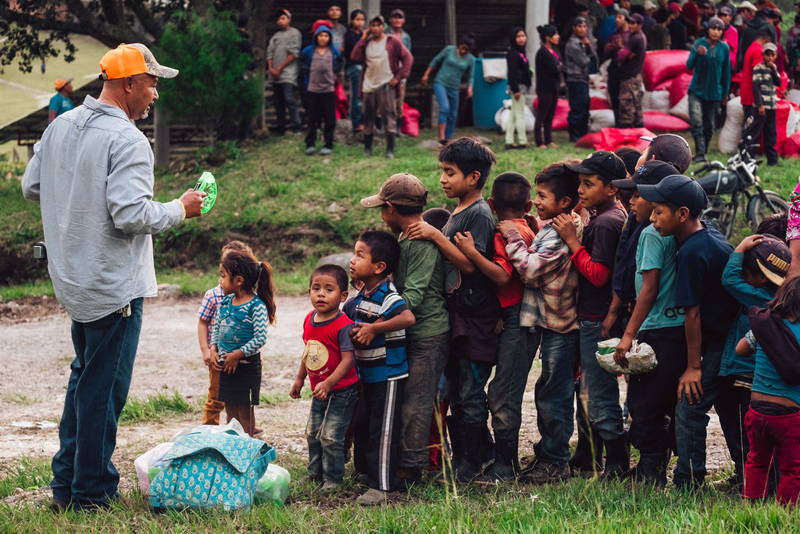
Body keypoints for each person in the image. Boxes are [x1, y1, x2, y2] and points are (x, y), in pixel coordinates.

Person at [21, 43, 205, 510]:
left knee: (84, 382)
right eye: (152, 82)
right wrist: (180, 208)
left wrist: (75, 194)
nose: (155, 93)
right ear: (128, 83)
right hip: (112, 284)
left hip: (73, 278)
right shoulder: (127, 140)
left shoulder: (59, 125)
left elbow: (32, 186)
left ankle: (66, 486)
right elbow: (129, 214)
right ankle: (91, 493)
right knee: (103, 392)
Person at [405, 138, 500, 482]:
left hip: (476, 320)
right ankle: (469, 457)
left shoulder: (478, 215)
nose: (443, 179)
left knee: (470, 396)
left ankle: (473, 462)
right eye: (442, 172)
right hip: (459, 318)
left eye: (450, 173)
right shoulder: (460, 211)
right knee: (460, 393)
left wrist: (435, 236)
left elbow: (471, 264)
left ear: (474, 177)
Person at [639, 174, 738, 490]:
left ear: (682, 214)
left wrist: (694, 367)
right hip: (728, 339)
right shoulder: (707, 234)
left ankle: (689, 479)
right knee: (729, 407)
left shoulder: (692, 252)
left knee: (690, 406)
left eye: (659, 212)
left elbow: (692, 312)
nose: (653, 219)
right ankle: (749, 474)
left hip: (719, 342)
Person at [359, 173, 450, 486]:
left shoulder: (421, 243)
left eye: (381, 210)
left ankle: (412, 466)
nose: (381, 216)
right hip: (409, 331)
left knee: (417, 401)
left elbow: (414, 294)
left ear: (390, 208)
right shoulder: (404, 238)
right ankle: (403, 458)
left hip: (428, 332)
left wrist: (378, 311)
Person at [498, 162, 583, 484]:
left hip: (560, 324)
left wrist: (511, 236)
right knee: (550, 388)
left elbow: (532, 270)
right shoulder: (555, 226)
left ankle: (554, 460)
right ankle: (551, 455)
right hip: (550, 320)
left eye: (544, 196)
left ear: (564, 203)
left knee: (553, 392)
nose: (536, 202)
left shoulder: (564, 230)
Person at [455, 172, 538, 482]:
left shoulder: (505, 232)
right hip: (515, 318)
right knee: (505, 389)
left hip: (518, 319)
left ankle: (506, 464)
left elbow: (503, 277)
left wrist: (472, 252)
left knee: (503, 392)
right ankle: (497, 458)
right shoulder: (527, 227)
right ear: (528, 204)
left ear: (490, 203)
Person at [606, 161, 684, 486]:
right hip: (675, 328)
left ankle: (651, 472)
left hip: (656, 328)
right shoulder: (673, 230)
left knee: (644, 403)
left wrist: (628, 334)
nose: (632, 202)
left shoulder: (653, 234)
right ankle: (655, 465)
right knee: (661, 401)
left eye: (638, 196)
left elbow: (649, 289)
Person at [552, 151, 629, 479]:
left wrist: (572, 241)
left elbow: (598, 275)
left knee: (598, 392)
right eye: (579, 184)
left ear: (612, 188)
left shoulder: (606, 222)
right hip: (599, 316)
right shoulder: (610, 214)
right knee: (595, 390)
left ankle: (616, 462)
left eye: (588, 184)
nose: (581, 190)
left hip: (596, 318)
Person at [345, 231, 416, 505]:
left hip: (388, 373)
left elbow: (407, 317)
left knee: (383, 430)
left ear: (380, 267)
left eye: (360, 255)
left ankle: (382, 486)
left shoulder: (387, 293)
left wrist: (375, 328)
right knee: (364, 424)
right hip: (367, 372)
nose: (352, 260)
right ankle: (366, 473)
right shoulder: (362, 292)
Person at [717, 234, 791, 491]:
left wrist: (738, 251)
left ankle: (755, 486)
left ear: (759, 277)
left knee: (751, 441)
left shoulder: (760, 297)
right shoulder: (782, 296)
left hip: (747, 375)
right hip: (766, 382)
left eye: (748, 273)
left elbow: (729, 280)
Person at [290, 264, 359, 494]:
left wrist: (329, 383)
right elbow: (309, 351)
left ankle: (333, 480)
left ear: (343, 296)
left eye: (328, 289)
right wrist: (299, 379)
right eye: (316, 288)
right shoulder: (310, 320)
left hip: (342, 390)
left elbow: (348, 359)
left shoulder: (343, 325)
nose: (321, 294)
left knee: (331, 435)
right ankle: (314, 473)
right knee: (312, 432)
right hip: (319, 389)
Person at [740, 277, 800, 505]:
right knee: (793, 467)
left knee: (757, 459)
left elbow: (740, 349)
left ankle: (752, 502)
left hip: (757, 411)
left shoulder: (766, 326)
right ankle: (786, 510)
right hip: (789, 415)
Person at [210, 250, 275, 437]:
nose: (220, 281)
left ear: (238, 280)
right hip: (226, 366)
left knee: (245, 413)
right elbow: (217, 326)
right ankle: (233, 449)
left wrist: (238, 354)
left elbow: (260, 338)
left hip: (246, 367)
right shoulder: (226, 301)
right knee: (230, 411)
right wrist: (214, 348)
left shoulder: (256, 306)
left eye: (223, 276)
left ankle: (248, 451)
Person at [198, 241, 255, 427]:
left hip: (242, 356)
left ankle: (247, 428)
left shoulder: (251, 298)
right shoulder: (213, 295)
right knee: (216, 396)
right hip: (219, 356)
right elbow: (203, 322)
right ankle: (209, 430)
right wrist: (206, 350)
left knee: (243, 396)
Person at [350, 15, 413, 159]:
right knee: (368, 116)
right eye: (373, 25)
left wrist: (398, 78)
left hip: (386, 84)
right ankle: (367, 148)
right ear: (369, 27)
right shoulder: (366, 43)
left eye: (379, 25)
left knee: (389, 116)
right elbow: (354, 57)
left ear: (383, 27)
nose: (376, 28)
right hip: (368, 84)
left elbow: (408, 57)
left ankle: (389, 150)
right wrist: (362, 38)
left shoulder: (392, 41)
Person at [686, 17, 731, 161]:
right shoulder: (699, 43)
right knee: (696, 121)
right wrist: (697, 54)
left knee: (710, 126)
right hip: (696, 91)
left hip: (714, 93)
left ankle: (703, 150)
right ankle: (700, 153)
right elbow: (689, 65)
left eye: (719, 29)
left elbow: (726, 72)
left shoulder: (724, 48)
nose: (716, 32)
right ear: (708, 29)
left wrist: (725, 94)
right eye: (713, 28)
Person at [422, 35, 477, 145]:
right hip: (441, 83)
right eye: (462, 48)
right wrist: (426, 74)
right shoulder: (449, 50)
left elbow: (471, 76)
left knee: (453, 113)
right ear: (459, 45)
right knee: (445, 108)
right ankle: (441, 136)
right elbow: (435, 61)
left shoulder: (471, 59)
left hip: (454, 87)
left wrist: (470, 88)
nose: (463, 51)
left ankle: (449, 137)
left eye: (466, 50)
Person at [300, 25, 343, 156]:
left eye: (326, 35)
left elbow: (340, 64)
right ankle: (310, 144)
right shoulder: (309, 51)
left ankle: (328, 144)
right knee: (312, 118)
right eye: (320, 35)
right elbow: (302, 65)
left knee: (330, 119)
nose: (323, 38)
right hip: (313, 89)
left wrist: (335, 75)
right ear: (316, 37)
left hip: (328, 89)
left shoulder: (334, 52)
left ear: (329, 38)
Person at [743, 42, 780, 166]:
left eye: (772, 55)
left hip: (772, 106)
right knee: (755, 133)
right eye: (767, 54)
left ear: (775, 56)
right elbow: (756, 87)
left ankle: (772, 161)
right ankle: (750, 160)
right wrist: (760, 104)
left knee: (771, 134)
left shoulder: (773, 68)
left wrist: (774, 70)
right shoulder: (758, 68)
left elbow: (778, 82)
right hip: (761, 107)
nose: (769, 57)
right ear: (763, 55)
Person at [267, 9, 303, 135]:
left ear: (289, 19)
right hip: (275, 74)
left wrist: (279, 68)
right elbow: (269, 53)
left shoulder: (294, 33)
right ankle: (280, 128)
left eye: (283, 18)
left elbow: (293, 54)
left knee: (289, 99)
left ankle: (297, 126)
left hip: (288, 72)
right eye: (278, 19)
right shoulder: (275, 36)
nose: (280, 21)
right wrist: (271, 69)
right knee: (278, 101)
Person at [565, 17, 598, 142]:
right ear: (574, 28)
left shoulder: (584, 42)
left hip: (583, 79)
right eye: (579, 26)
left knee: (585, 106)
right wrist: (589, 48)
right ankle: (574, 135)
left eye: (584, 27)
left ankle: (583, 134)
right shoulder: (573, 44)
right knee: (577, 108)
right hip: (575, 79)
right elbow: (584, 61)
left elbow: (594, 57)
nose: (582, 29)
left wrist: (589, 47)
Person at [614, 13, 646, 128]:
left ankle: (627, 136)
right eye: (630, 22)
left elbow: (621, 56)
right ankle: (638, 134)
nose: (630, 25)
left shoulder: (636, 38)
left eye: (633, 23)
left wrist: (620, 50)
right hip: (635, 75)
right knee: (637, 107)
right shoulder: (639, 36)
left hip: (629, 77)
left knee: (626, 106)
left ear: (640, 25)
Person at [534, 25, 563, 148]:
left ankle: (548, 140)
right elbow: (555, 68)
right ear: (547, 37)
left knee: (550, 115)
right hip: (544, 87)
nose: (558, 37)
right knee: (542, 114)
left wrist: (559, 66)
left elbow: (560, 65)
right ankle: (539, 142)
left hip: (554, 86)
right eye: (555, 34)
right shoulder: (542, 52)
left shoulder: (554, 51)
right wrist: (559, 66)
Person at [505, 27, 532, 150]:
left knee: (514, 115)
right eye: (518, 36)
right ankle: (522, 141)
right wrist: (515, 89)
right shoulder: (513, 53)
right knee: (519, 114)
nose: (521, 39)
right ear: (513, 39)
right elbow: (512, 73)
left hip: (521, 86)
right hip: (518, 87)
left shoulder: (521, 52)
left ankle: (509, 141)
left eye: (523, 36)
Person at [387, 8, 412, 126]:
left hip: (401, 71)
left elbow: (409, 55)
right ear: (390, 20)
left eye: (400, 17)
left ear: (404, 20)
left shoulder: (406, 37)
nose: (397, 20)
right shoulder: (386, 33)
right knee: (387, 98)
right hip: (388, 70)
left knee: (400, 99)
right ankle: (386, 125)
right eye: (395, 17)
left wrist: (405, 71)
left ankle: (398, 127)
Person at [344, 9, 366, 133]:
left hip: (364, 67)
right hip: (354, 67)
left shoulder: (362, 34)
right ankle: (356, 122)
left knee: (364, 96)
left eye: (362, 19)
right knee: (356, 96)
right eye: (357, 19)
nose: (360, 22)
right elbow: (354, 51)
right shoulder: (350, 35)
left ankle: (363, 121)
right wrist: (364, 37)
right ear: (352, 21)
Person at [719, 5, 739, 70]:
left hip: (728, 62)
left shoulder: (733, 31)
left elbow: (729, 48)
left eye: (725, 15)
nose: (722, 17)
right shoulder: (716, 28)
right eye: (721, 15)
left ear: (730, 17)